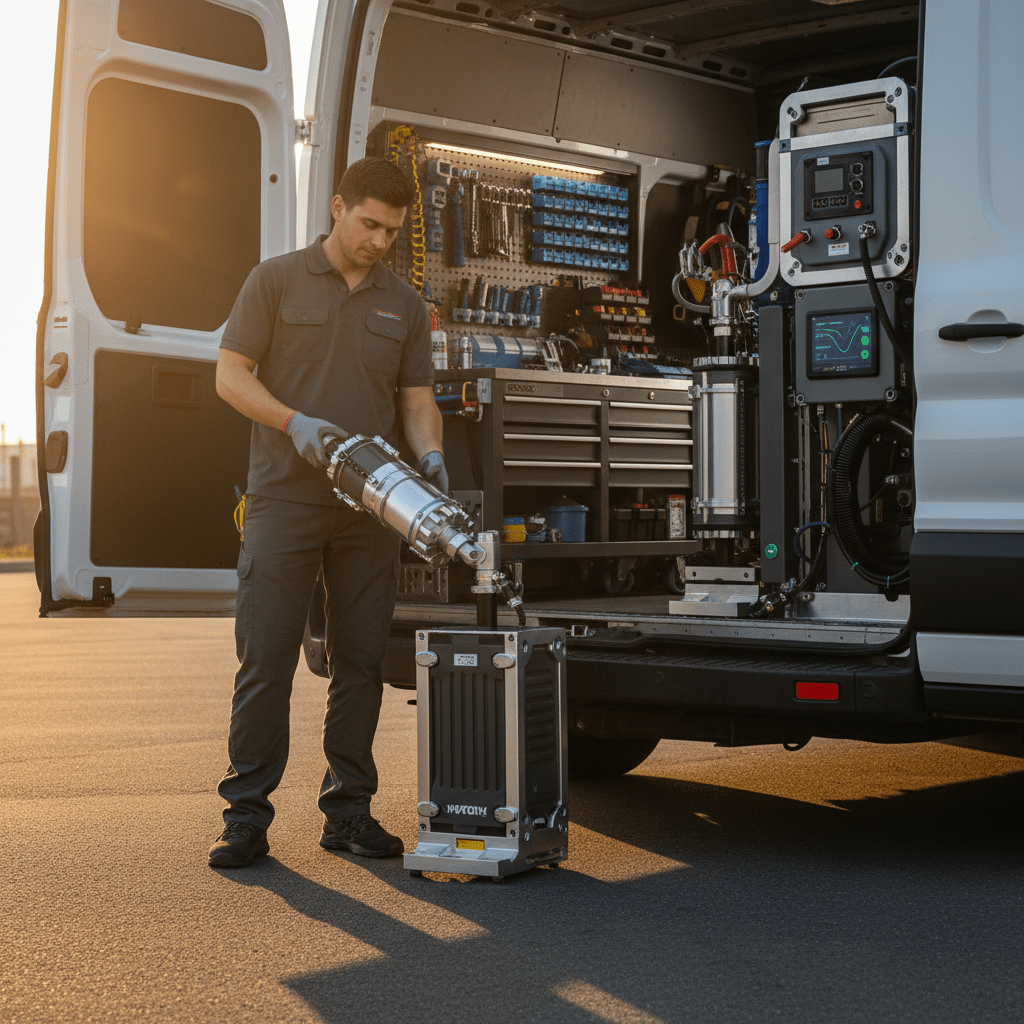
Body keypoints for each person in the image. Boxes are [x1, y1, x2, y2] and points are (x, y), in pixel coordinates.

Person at [208, 157, 448, 869]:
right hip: (283, 498)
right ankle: (245, 818)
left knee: (361, 661)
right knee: (268, 658)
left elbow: (415, 402)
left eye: (391, 231)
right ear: (338, 207)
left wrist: (430, 457)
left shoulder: (403, 304)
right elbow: (229, 374)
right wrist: (292, 423)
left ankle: (347, 810)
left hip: (368, 509)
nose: (378, 240)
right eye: (368, 223)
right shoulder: (275, 279)